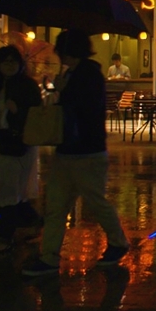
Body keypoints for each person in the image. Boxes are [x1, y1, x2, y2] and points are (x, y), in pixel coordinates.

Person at [22, 29, 129, 276]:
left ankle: (118, 241)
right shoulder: (74, 73)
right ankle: (49, 256)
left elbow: (84, 108)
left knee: (94, 200)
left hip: (86, 149)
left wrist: (63, 90)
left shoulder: (89, 74)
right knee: (57, 205)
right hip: (70, 148)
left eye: (61, 51)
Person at [0, 46, 44, 255]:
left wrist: (18, 111)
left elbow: (37, 114)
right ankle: (35, 221)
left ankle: (4, 237)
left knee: (9, 191)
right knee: (9, 191)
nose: (9, 65)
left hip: (19, 144)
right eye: (4, 61)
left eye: (13, 61)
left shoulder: (27, 86)